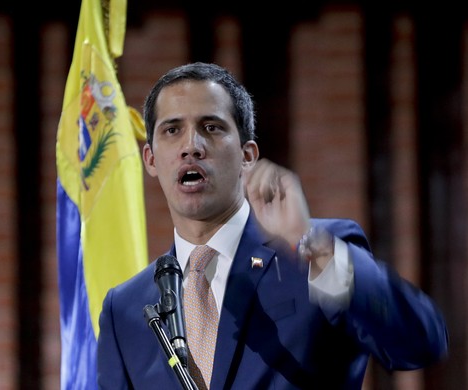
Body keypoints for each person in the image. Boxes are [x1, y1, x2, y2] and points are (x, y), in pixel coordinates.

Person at [96, 62, 448, 389]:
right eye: (172, 130)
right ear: (151, 159)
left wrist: (307, 243)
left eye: (211, 127)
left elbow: (419, 344)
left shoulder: (315, 254)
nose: (192, 146)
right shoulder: (125, 308)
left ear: (248, 155)